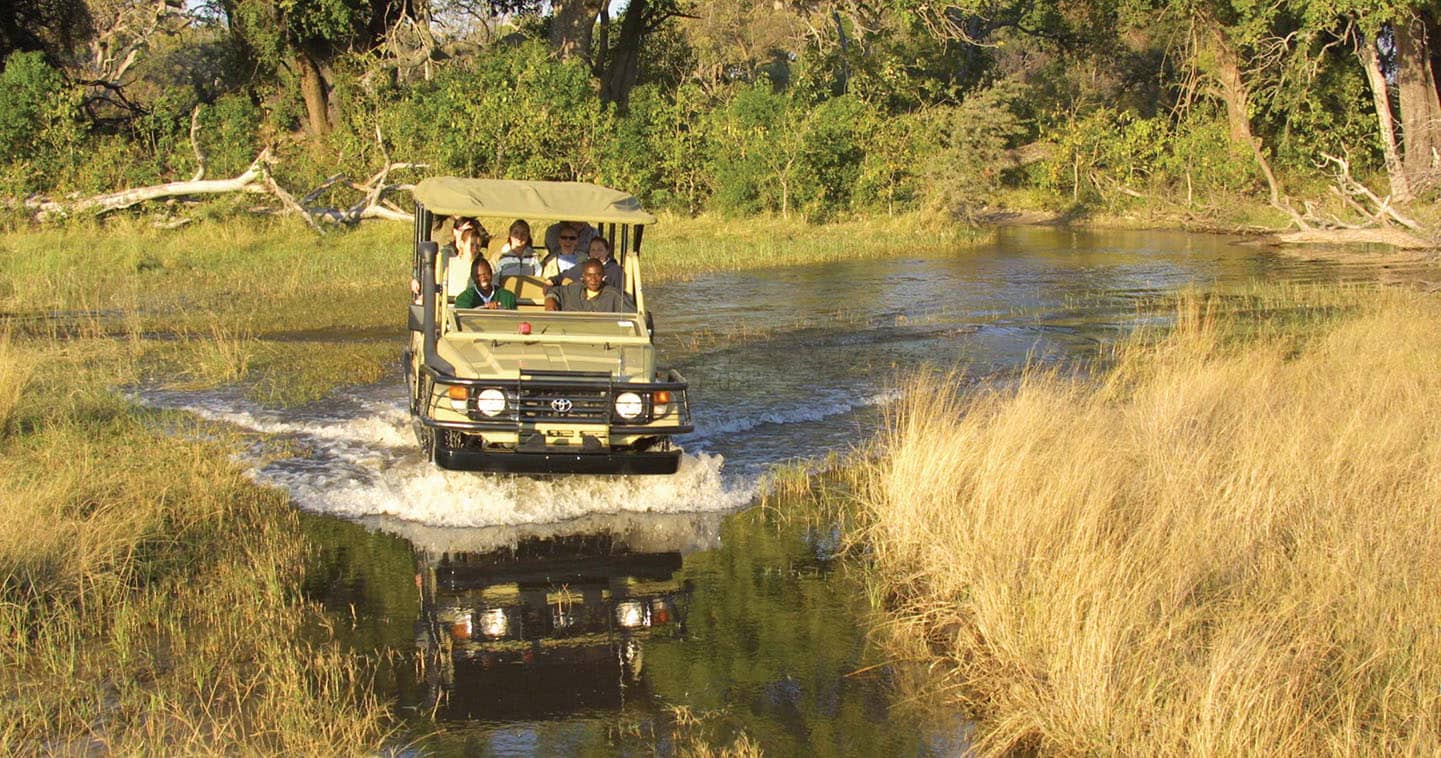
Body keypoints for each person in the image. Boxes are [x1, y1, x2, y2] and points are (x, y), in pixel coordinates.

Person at [544, 259, 632, 312]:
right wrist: (550, 300)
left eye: (597, 275)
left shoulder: (614, 296)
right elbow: (554, 291)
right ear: (583, 276)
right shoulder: (573, 290)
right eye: (589, 275)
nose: (593, 280)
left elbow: (634, 316)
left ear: (603, 276)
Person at [443, 216, 490, 300]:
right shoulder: (449, 265)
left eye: (478, 246)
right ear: (462, 244)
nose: (475, 249)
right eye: (471, 245)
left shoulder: (484, 268)